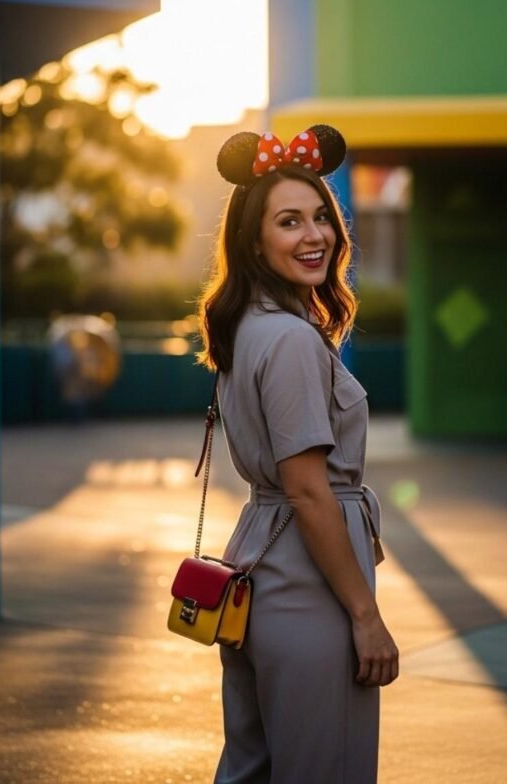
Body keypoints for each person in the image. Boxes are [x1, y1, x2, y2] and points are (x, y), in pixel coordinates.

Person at [197, 124, 399, 784]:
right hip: (306, 586)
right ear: (253, 242)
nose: (315, 235)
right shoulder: (288, 340)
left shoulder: (248, 328)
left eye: (320, 217)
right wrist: (365, 617)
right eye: (289, 222)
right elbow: (309, 490)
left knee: (252, 769)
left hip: (261, 568)